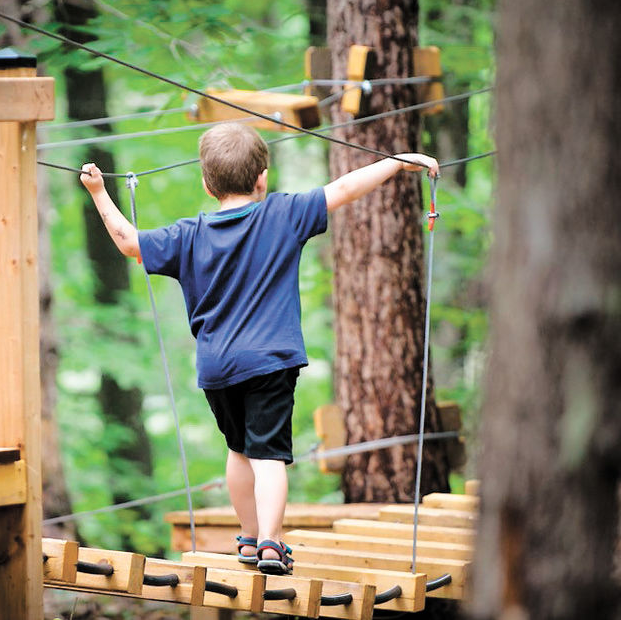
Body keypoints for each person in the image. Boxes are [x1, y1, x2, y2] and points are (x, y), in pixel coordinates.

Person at [79, 122, 438, 574]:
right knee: (269, 455)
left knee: (238, 450)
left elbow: (129, 242)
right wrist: (398, 161)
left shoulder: (188, 235)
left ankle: (248, 539)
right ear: (262, 177)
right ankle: (271, 542)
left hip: (217, 366)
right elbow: (345, 188)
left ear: (207, 185)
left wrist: (98, 192)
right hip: (270, 361)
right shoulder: (284, 214)